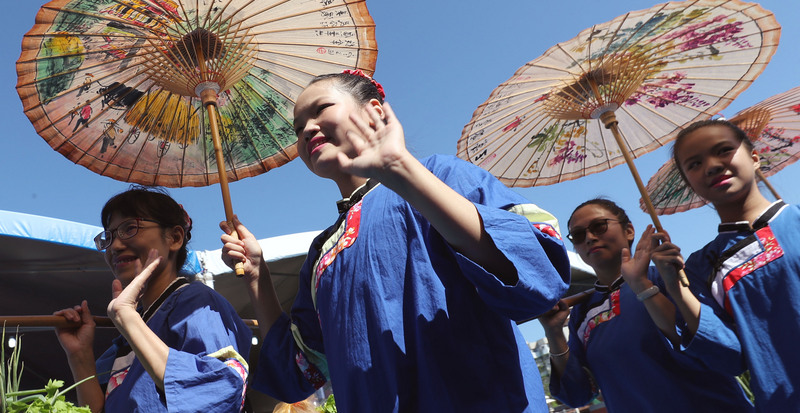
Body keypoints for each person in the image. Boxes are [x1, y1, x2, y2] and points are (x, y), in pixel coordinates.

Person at [220, 70, 571, 412]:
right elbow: (295, 373)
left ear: (374, 111)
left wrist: (399, 167)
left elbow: (537, 272)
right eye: (298, 129)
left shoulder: (442, 175)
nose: (306, 129)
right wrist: (257, 278)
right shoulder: (321, 254)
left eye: (320, 110)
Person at [539, 198, 754, 412]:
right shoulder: (581, 313)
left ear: (629, 230)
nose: (589, 237)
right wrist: (554, 333)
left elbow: (725, 352)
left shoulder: (670, 277)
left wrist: (644, 286)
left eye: (599, 226)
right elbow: (577, 395)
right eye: (578, 235)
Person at [55, 187, 252, 413]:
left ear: (175, 238)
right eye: (108, 237)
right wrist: (80, 355)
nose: (115, 246)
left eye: (130, 228)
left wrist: (127, 317)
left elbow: (219, 391)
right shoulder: (126, 337)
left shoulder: (196, 303)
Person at [649, 119, 800, 410]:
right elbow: (729, 359)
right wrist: (676, 289)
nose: (712, 166)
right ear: (689, 183)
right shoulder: (698, 268)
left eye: (724, 150)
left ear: (754, 157)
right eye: (694, 164)